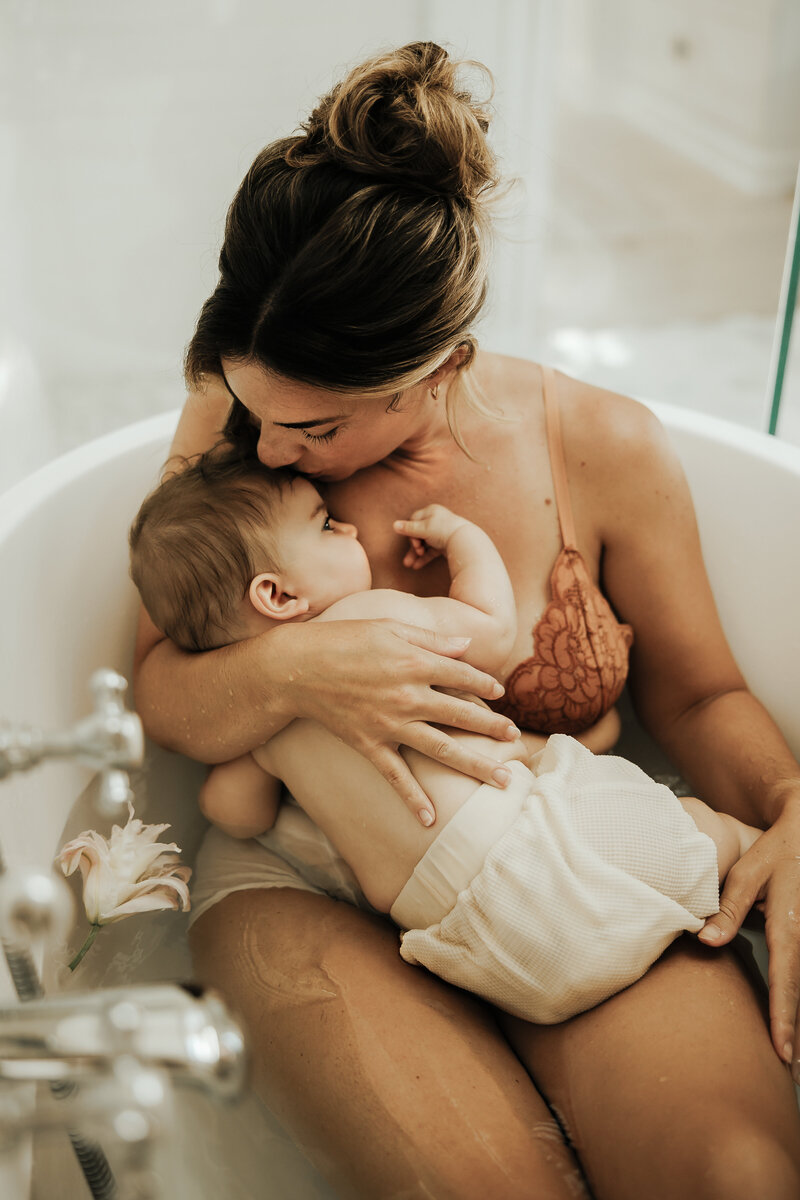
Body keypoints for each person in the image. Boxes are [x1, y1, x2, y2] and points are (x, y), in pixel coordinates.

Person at [132, 40, 800, 1199]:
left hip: (555, 865)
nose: (274, 451)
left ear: (439, 365)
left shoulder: (600, 450)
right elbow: (159, 688)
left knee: (733, 1175)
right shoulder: (245, 412)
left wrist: (791, 812)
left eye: (318, 432)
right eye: (255, 416)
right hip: (307, 882)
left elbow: (697, 696)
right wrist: (301, 674)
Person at [129, 450, 761, 1025]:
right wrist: (464, 540)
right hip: (540, 853)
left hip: (479, 949)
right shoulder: (369, 621)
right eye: (325, 526)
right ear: (278, 594)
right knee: (703, 830)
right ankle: (758, 855)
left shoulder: (259, 732)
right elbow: (489, 634)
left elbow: (232, 814)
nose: (347, 529)